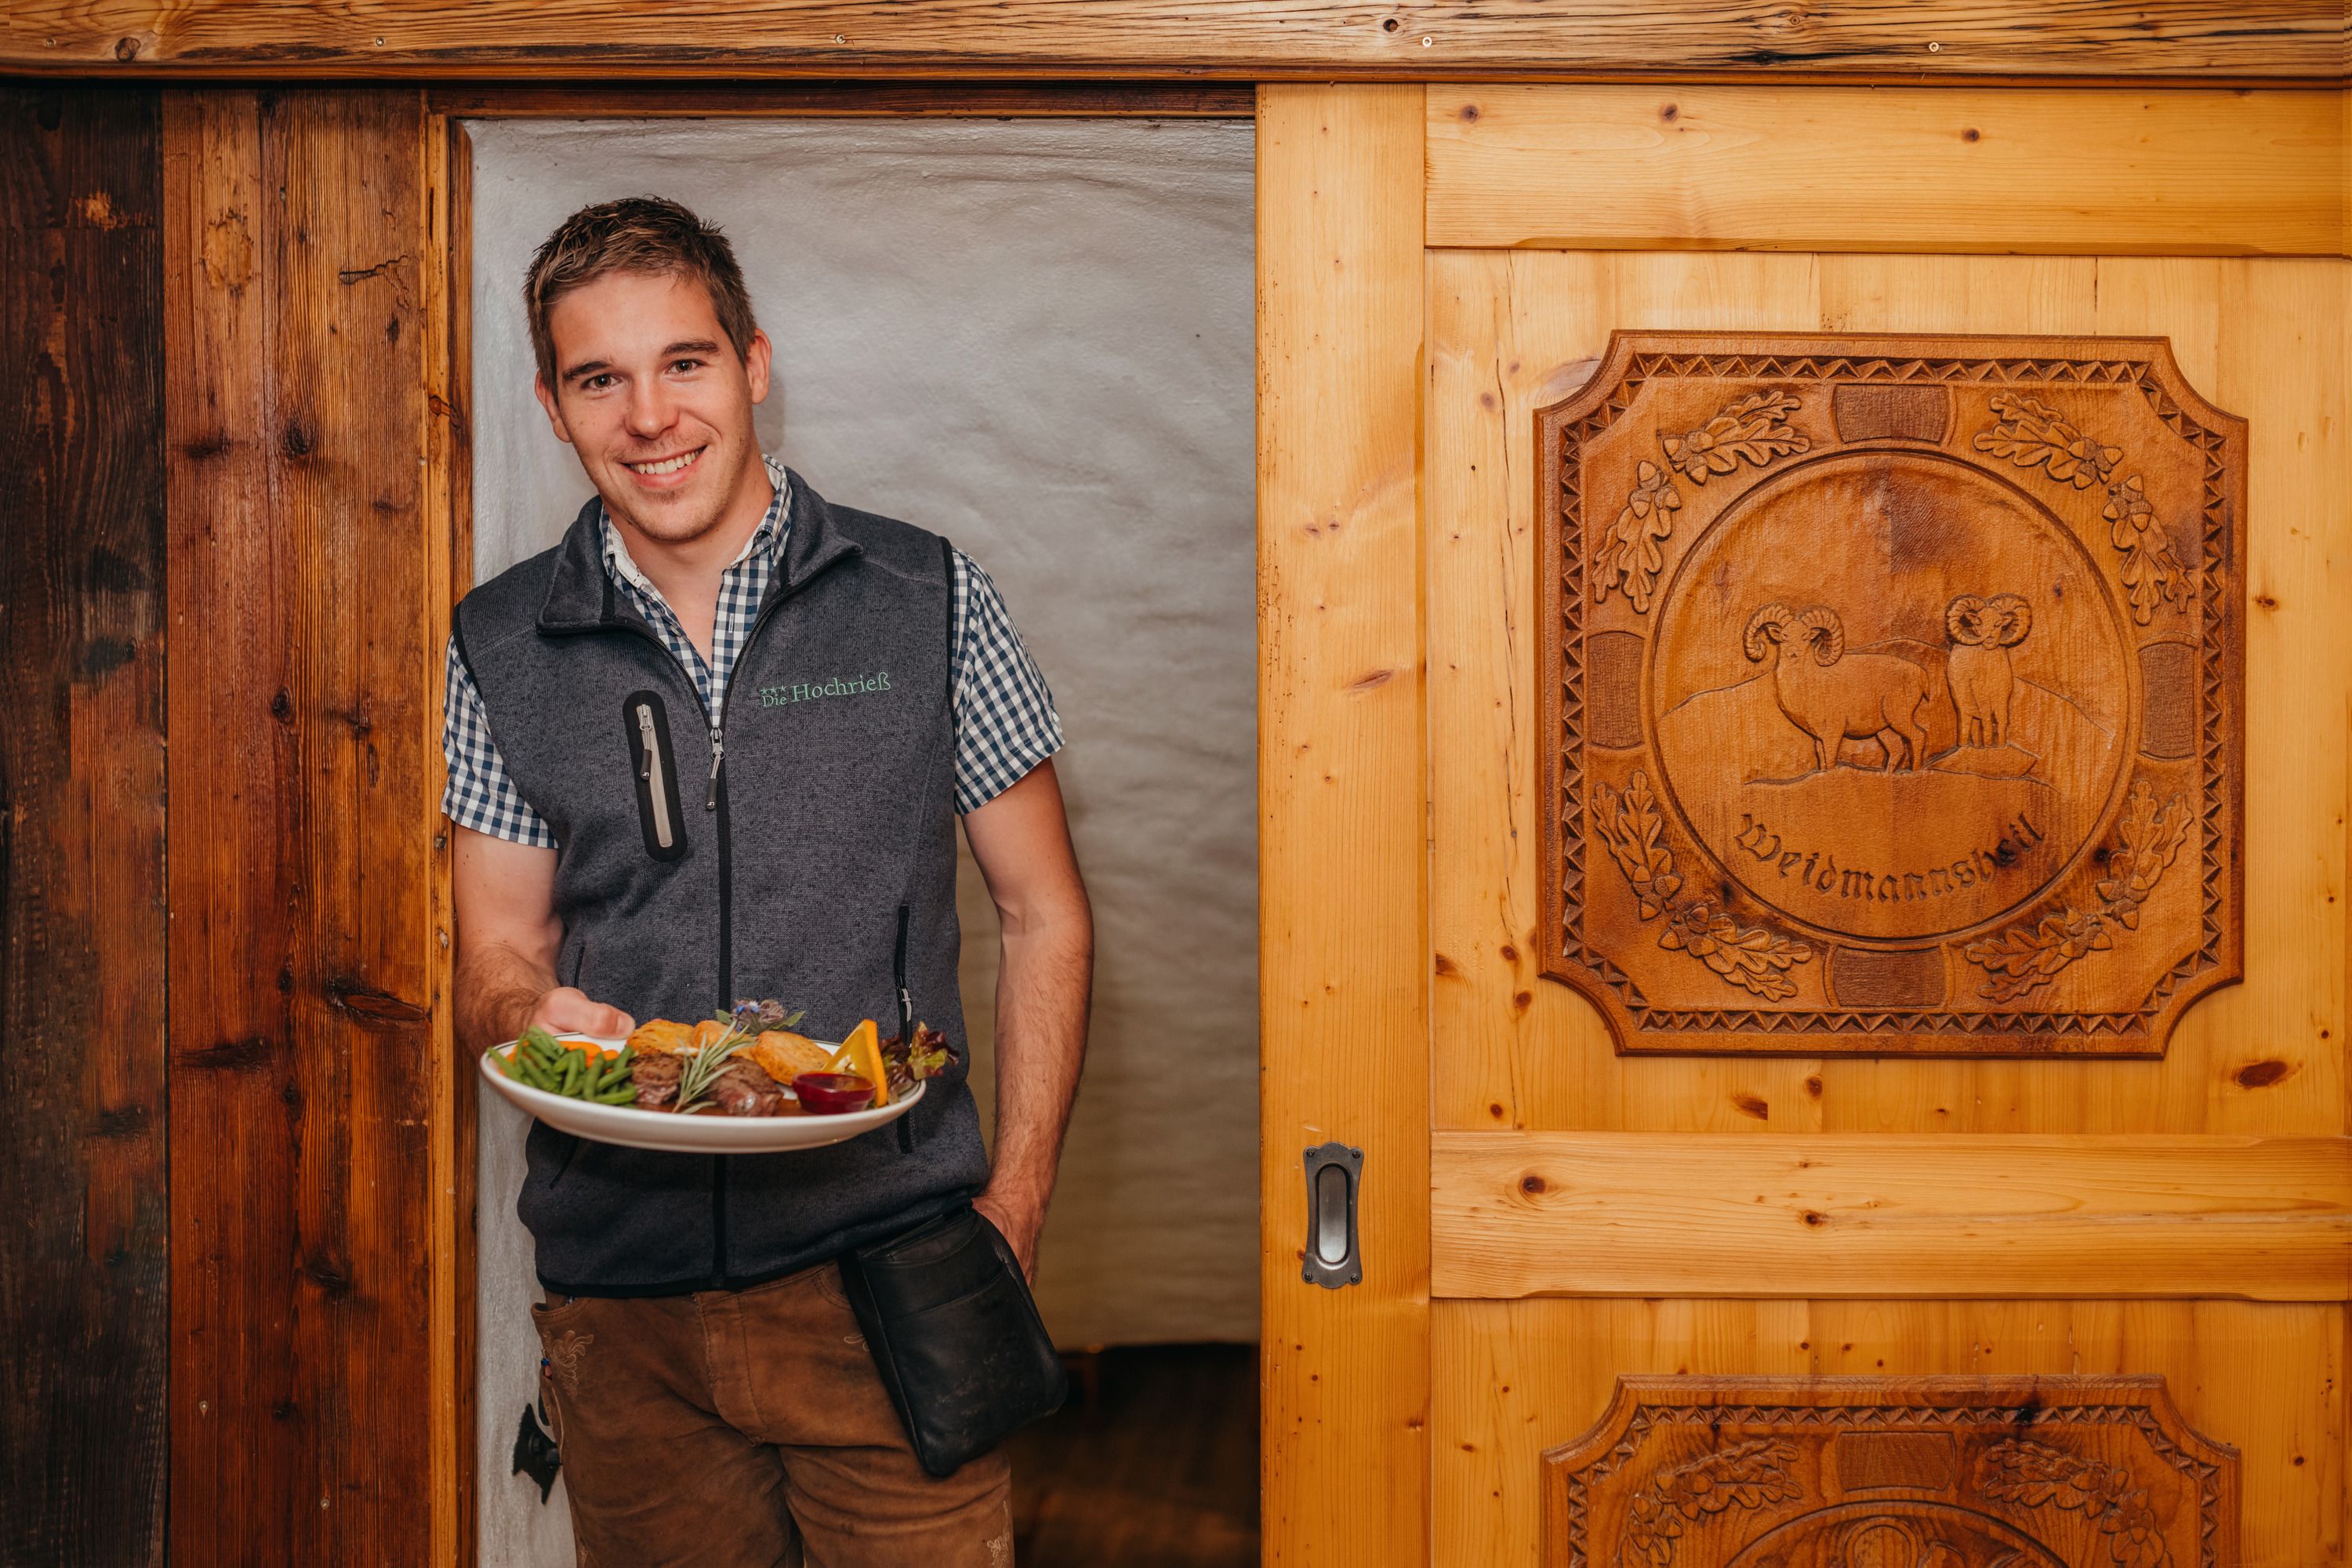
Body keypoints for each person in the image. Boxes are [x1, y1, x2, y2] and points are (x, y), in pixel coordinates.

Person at [443, 195, 1093, 1567]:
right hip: (627, 1321)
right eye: (598, 378)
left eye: (683, 362)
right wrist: (521, 1016)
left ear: (753, 361)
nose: (649, 416)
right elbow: (496, 954)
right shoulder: (499, 646)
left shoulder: (929, 599)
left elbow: (1047, 917)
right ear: (556, 410)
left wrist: (1014, 1210)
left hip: (891, 1287)